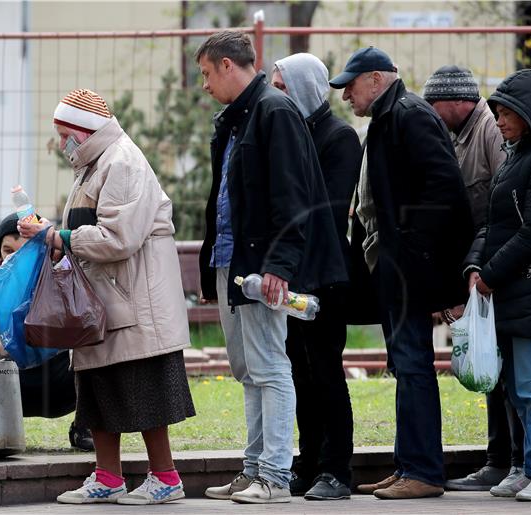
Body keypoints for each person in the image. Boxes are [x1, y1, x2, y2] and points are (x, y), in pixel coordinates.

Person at [19, 88, 195, 505]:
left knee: (144, 390)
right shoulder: (95, 163)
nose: (61, 144)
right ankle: (107, 477)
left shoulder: (122, 161)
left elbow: (119, 238)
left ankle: (166, 478)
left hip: (136, 301)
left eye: (65, 134)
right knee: (97, 391)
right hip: (107, 300)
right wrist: (54, 234)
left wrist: (56, 235)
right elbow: (87, 230)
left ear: (84, 130)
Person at [195, 32, 348, 504]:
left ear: (226, 65)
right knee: (247, 369)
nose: (203, 86)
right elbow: (224, 200)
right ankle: (254, 468)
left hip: (260, 265)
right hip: (235, 261)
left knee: (269, 367)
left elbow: (292, 196)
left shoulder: (273, 112)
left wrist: (280, 264)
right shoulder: (241, 117)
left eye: (204, 74)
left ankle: (275, 476)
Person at [329, 47, 474, 499]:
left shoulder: (408, 115)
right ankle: (409, 464)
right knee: (405, 368)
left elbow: (445, 191)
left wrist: (408, 249)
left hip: (408, 271)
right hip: (394, 270)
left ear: (377, 78)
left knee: (413, 368)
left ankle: (424, 472)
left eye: (351, 84)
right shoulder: (390, 117)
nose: (346, 94)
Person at [424, 65, 525, 493]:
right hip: (482, 265)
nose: (429, 110)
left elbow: (505, 210)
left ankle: (509, 461)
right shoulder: (458, 134)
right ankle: (499, 460)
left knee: (510, 375)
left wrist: (487, 269)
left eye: (434, 102)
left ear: (457, 101)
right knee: (493, 369)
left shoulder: (490, 133)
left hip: (501, 270)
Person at [271, 53, 361, 500]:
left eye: (282, 86)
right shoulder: (292, 132)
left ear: (304, 88)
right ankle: (307, 464)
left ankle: (337, 469)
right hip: (294, 275)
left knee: (325, 370)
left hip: (324, 273)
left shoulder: (338, 137)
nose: (275, 94)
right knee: (298, 371)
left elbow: (326, 205)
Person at [464, 68, 531, 502]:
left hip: (525, 292)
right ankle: (525, 466)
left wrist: (490, 272)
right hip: (508, 290)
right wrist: (475, 266)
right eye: (495, 111)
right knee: (514, 387)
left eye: (508, 111)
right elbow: (493, 224)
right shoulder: (515, 156)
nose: (498, 120)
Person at [0, 212, 94, 451]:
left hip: (61, 383)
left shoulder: (61, 280)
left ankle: (85, 425)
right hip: (10, 383)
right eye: (7, 251)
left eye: (23, 252)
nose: (14, 259)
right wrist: (3, 345)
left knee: (96, 354)